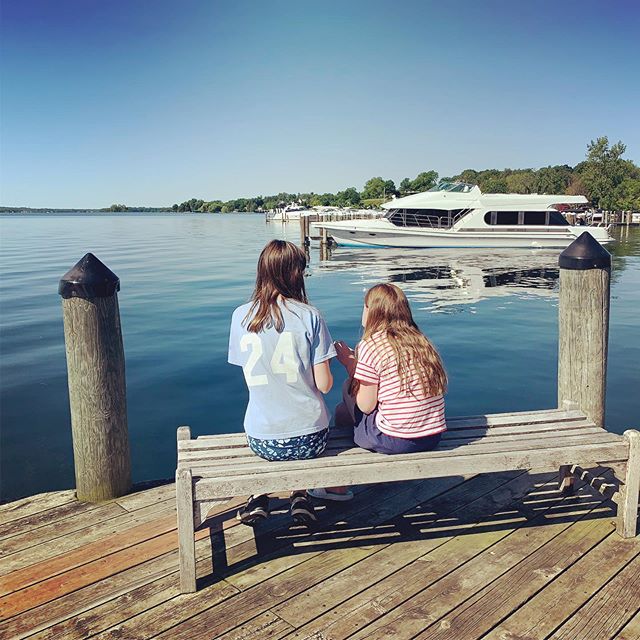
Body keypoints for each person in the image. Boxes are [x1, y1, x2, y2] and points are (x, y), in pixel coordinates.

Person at [228, 240, 336, 526]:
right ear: (295, 274)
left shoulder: (240, 316)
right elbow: (324, 385)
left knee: (263, 419)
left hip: (263, 440)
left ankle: (258, 496)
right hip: (310, 440)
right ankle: (299, 494)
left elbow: (251, 378)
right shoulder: (311, 316)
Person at [334, 283, 447, 454]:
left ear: (371, 310)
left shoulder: (371, 345)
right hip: (431, 437)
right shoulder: (421, 341)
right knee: (344, 410)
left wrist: (349, 363)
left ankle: (347, 457)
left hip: (394, 440)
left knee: (345, 391)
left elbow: (366, 406)